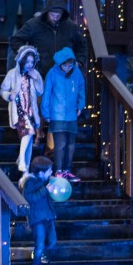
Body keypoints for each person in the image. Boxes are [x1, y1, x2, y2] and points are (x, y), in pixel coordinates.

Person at [8, 0, 87, 78]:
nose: (55, 18)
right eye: (52, 15)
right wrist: (27, 54)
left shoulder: (70, 27)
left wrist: (79, 61)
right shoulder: (33, 25)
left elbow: (81, 45)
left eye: (58, 15)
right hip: (39, 75)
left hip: (64, 76)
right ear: (47, 12)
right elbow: (15, 40)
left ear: (62, 14)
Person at [41, 47, 86, 182]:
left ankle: (67, 170)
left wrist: (80, 105)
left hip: (71, 115)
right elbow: (47, 94)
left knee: (70, 145)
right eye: (65, 65)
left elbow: (81, 89)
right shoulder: (52, 74)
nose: (68, 67)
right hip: (57, 114)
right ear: (59, 64)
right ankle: (59, 170)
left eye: (70, 64)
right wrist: (46, 112)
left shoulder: (76, 73)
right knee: (60, 144)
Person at [0, 44, 43, 174]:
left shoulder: (35, 74)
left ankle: (25, 166)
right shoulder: (12, 74)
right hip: (18, 110)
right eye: (27, 61)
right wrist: (9, 95)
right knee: (29, 133)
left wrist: (36, 80)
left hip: (30, 110)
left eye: (32, 61)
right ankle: (22, 161)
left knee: (29, 139)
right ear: (21, 60)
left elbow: (40, 91)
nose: (30, 64)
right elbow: (3, 90)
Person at [20, 155, 58, 265]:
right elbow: (30, 198)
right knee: (39, 244)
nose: (51, 172)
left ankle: (41, 253)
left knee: (52, 241)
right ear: (41, 172)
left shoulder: (44, 181)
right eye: (49, 170)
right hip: (37, 219)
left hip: (48, 216)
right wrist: (45, 190)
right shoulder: (30, 182)